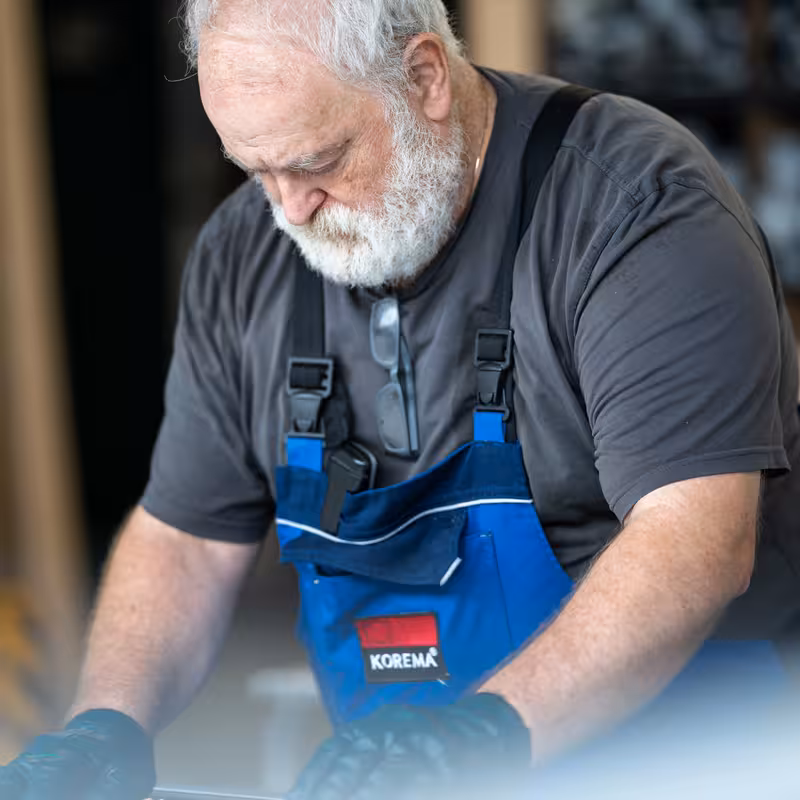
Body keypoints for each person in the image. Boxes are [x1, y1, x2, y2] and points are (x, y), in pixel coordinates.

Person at [2, 1, 799, 798]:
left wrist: (478, 736)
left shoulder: (633, 207)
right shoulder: (248, 252)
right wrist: (106, 725)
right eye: (256, 171)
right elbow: (187, 538)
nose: (288, 210)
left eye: (318, 160)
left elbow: (694, 537)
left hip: (693, 763)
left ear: (423, 78)